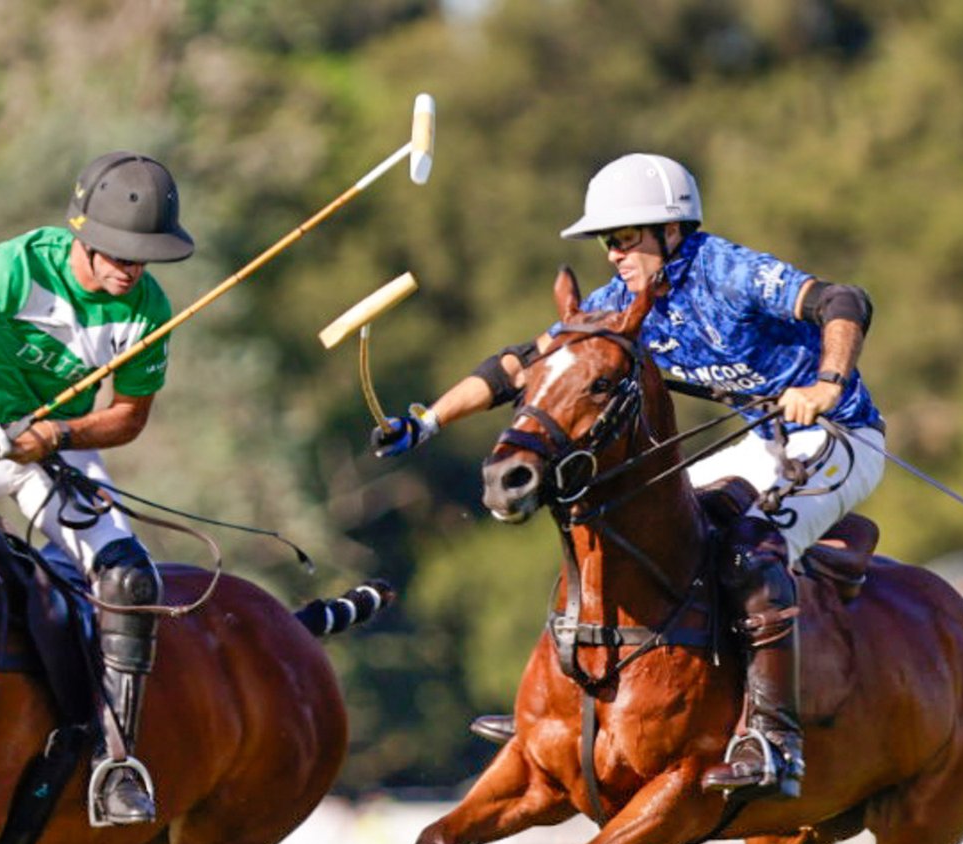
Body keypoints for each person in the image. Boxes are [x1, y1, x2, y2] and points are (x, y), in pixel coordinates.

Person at [373, 152, 886, 801]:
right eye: (606, 243)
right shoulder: (618, 303)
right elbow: (517, 365)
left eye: (624, 239)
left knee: (753, 554)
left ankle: (775, 741)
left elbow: (844, 300)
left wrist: (826, 382)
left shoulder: (727, 271)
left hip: (834, 435)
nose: (613, 254)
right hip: (759, 442)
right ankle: (554, 704)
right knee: (630, 529)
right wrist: (426, 421)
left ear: (671, 231)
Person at [0, 151, 196, 826]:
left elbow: (128, 418)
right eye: (118, 252)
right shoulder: (17, 267)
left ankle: (116, 765)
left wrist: (56, 436)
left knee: (127, 578)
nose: (130, 268)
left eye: (144, 256)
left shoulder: (148, 309)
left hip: (52, 457)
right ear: (83, 234)